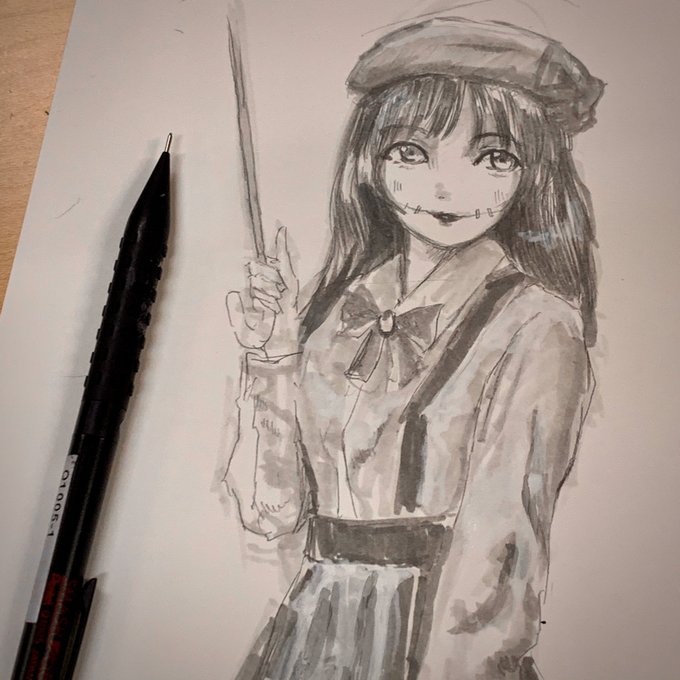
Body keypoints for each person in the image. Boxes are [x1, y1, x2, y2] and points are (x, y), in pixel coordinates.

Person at [224, 16, 604, 680]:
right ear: (369, 164)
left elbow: (501, 551)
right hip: (313, 630)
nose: (447, 188)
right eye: (412, 152)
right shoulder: (332, 311)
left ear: (535, 171)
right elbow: (269, 512)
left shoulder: (538, 324)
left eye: (493, 157)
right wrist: (272, 359)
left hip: (432, 641)